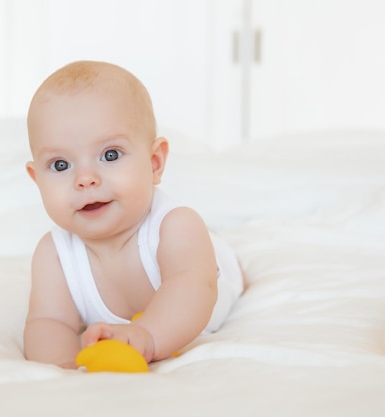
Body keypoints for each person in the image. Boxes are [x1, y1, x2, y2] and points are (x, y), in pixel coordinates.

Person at [23, 60, 244, 369]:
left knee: (212, 262)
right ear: (37, 180)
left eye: (110, 155)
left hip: (214, 273)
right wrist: (64, 366)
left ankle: (228, 254)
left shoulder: (176, 225)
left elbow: (195, 289)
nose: (85, 179)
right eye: (60, 165)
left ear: (154, 163)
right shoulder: (53, 254)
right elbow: (48, 322)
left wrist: (147, 336)